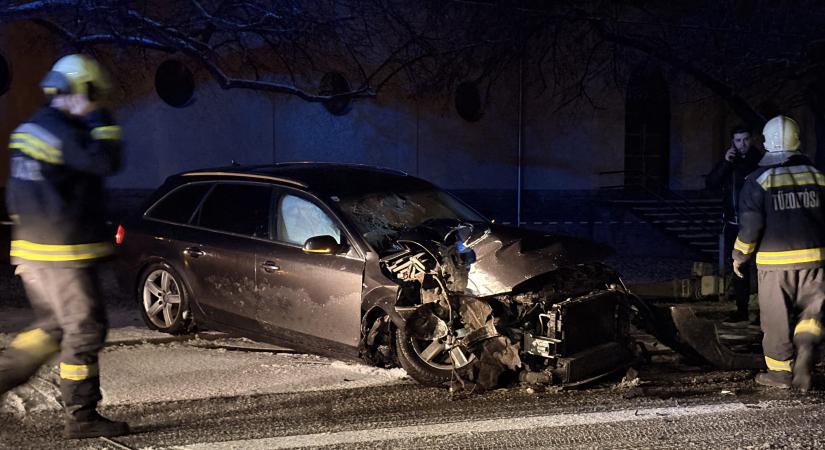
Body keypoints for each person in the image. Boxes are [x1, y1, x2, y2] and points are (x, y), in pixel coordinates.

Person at [0, 54, 128, 438]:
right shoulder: (62, 133)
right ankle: (82, 416)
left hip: (39, 251)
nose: (98, 103)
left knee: (53, 329)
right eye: (95, 95)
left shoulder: (35, 128)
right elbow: (105, 162)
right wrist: (103, 123)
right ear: (78, 89)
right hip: (62, 254)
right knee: (85, 330)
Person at [732, 115, 825, 392]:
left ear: (767, 143)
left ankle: (781, 373)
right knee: (813, 311)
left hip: (774, 264)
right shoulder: (819, 176)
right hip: (816, 261)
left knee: (776, 319)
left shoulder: (758, 180)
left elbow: (751, 225)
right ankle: (807, 345)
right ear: (798, 141)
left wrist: (739, 255)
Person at [706, 125, 762, 323]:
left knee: (761, 268)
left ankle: (763, 311)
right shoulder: (730, 162)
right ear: (733, 142)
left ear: (751, 139)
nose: (742, 144)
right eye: (738, 140)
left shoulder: (759, 161)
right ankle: (741, 310)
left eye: (745, 139)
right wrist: (725, 163)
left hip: (757, 222)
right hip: (733, 222)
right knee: (738, 267)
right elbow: (711, 184)